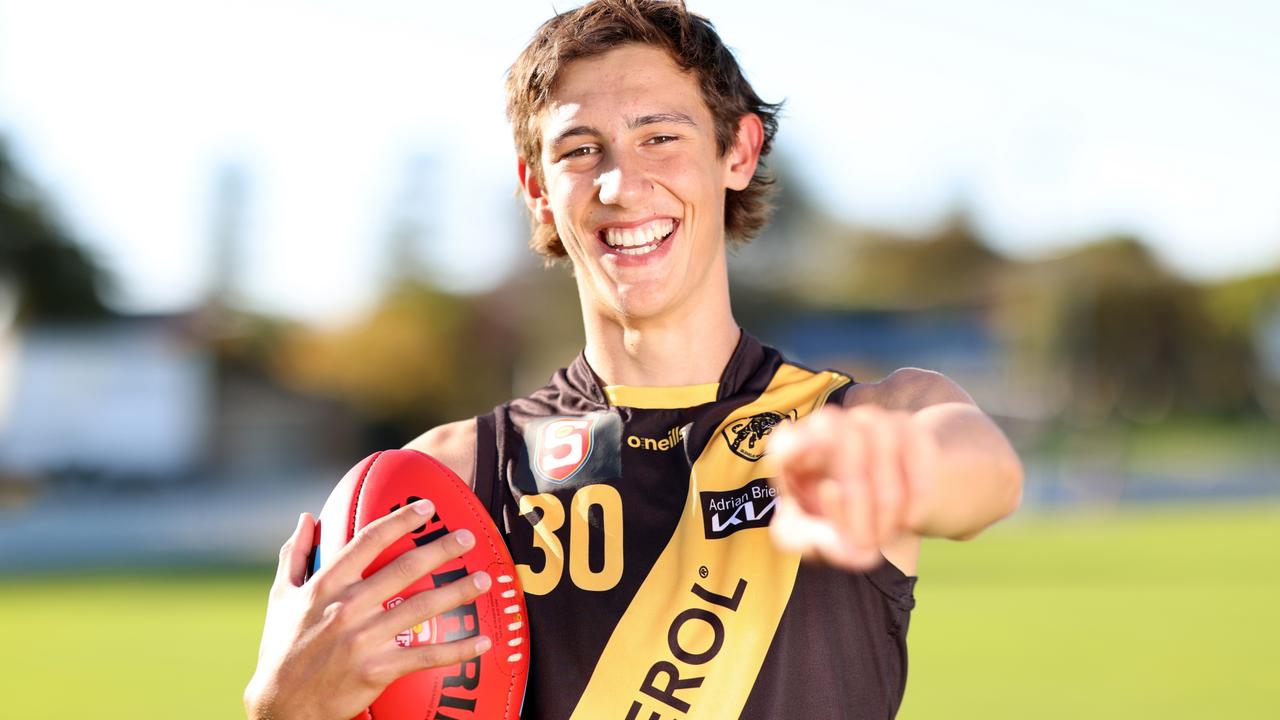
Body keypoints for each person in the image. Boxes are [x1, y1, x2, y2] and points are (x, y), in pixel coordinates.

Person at [244, 1, 1024, 718]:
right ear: (538, 189)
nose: (622, 185)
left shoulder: (864, 421)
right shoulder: (445, 479)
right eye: (582, 150)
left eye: (661, 136)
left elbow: (983, 473)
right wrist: (286, 708)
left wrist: (898, 470)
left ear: (738, 150)